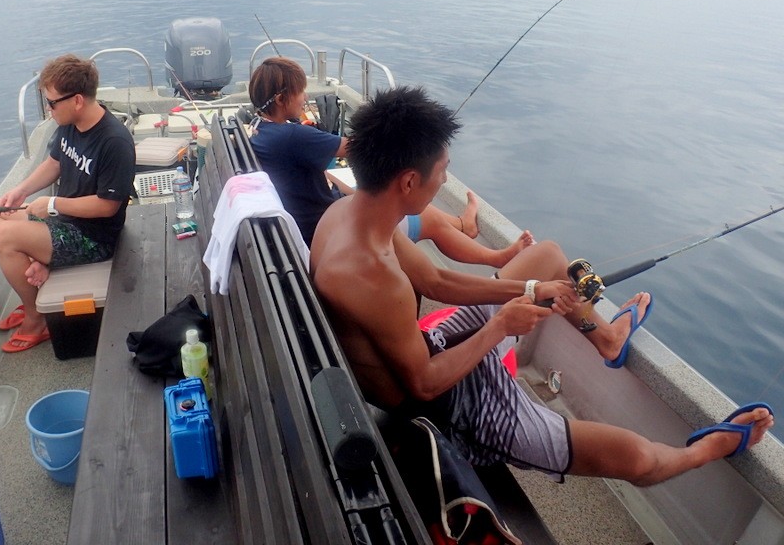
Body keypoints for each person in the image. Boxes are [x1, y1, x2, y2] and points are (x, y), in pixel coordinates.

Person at [310, 85, 773, 485]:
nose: (446, 179)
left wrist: (531, 289)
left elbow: (436, 279)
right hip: (446, 408)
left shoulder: (350, 213)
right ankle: (706, 450)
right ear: (409, 181)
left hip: (430, 349)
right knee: (632, 456)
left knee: (548, 258)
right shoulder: (371, 275)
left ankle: (609, 339)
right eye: (442, 169)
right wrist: (500, 326)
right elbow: (425, 385)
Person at [248, 56, 533, 267]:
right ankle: (495, 255)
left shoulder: (259, 130)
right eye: (300, 92)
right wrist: (404, 132)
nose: (305, 97)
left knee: (413, 210)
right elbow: (358, 147)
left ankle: (461, 224)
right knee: (425, 217)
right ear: (283, 98)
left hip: (310, 220)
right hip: (326, 228)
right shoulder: (292, 136)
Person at [0, 54, 135, 353]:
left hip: (94, 237)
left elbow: (108, 206)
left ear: (77, 100)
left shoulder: (114, 141)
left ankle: (36, 316)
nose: (49, 110)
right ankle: (42, 267)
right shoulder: (68, 124)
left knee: (3, 237)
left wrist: (53, 204)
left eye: (51, 103)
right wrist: (21, 191)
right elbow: (54, 163)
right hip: (63, 222)